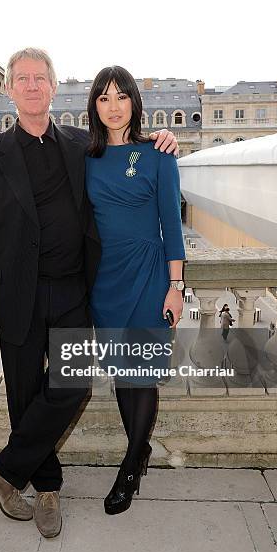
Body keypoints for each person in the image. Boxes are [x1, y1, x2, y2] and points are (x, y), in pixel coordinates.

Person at [0, 48, 179, 538]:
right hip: (16, 293)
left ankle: (1, 470)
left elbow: (132, 152)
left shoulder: (83, 146)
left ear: (54, 88)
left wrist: (164, 139)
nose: (33, 86)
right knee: (22, 393)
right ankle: (46, 489)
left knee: (72, 385)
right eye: (23, 79)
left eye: (41, 78)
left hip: (71, 290)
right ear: (10, 88)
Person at [85, 66, 186, 515]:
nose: (113, 106)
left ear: (134, 103)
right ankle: (139, 448)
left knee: (141, 373)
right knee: (122, 372)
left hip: (148, 275)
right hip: (104, 279)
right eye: (103, 98)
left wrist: (176, 286)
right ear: (94, 105)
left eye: (120, 97)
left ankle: (129, 466)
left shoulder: (159, 154)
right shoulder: (83, 154)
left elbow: (172, 224)